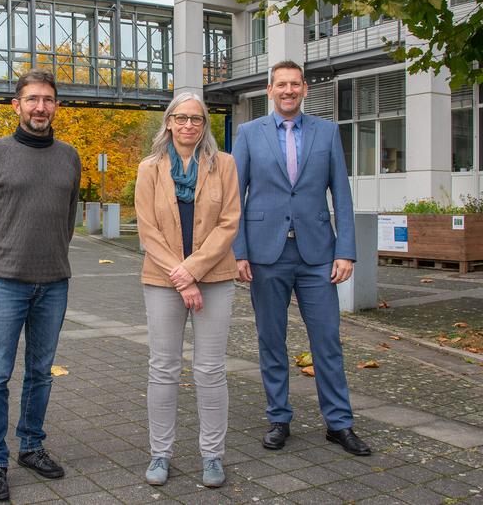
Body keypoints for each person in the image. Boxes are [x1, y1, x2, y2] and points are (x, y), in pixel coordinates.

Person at [231, 60, 371, 456]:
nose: (288, 90)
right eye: (282, 84)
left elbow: (340, 194)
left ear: (304, 89)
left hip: (317, 255)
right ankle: (279, 418)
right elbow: (233, 197)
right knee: (271, 340)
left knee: (327, 340)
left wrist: (346, 250)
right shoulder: (247, 134)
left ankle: (339, 424)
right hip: (265, 254)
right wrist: (238, 251)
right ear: (269, 89)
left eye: (295, 84)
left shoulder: (327, 132)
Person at [0, 68, 81, 502]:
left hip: (54, 282)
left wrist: (49, 256)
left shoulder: (69, 156)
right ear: (17, 105)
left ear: (56, 106)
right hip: (5, 283)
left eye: (48, 100)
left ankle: (30, 446)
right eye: (32, 99)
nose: (40, 107)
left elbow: (67, 217)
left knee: (40, 373)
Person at [135, 92, 240, 488]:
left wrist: (193, 272)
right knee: (163, 368)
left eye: (196, 119)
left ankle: (212, 455)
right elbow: (148, 231)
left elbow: (229, 224)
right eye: (181, 118)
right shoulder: (150, 169)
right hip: (162, 279)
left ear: (204, 125)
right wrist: (181, 277)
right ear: (169, 122)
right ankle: (160, 453)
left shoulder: (224, 165)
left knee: (210, 370)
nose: (188, 125)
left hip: (214, 278)